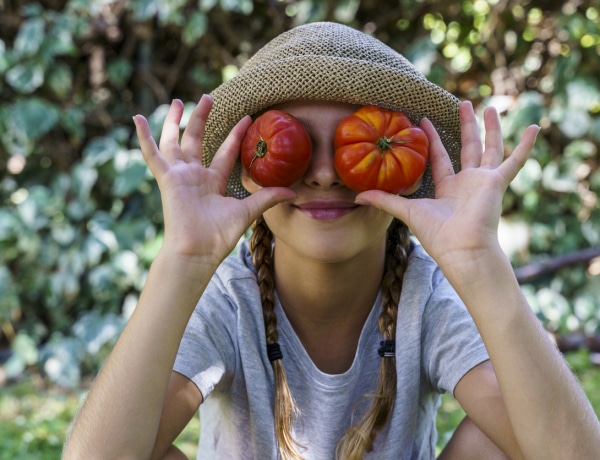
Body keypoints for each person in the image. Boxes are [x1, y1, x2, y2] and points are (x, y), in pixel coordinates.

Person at [63, 22, 600, 459]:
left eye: (357, 145)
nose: (325, 175)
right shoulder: (230, 299)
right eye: (293, 148)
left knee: (501, 445)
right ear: (250, 173)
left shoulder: (427, 298)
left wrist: (479, 261)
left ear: (407, 171)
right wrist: (183, 259)